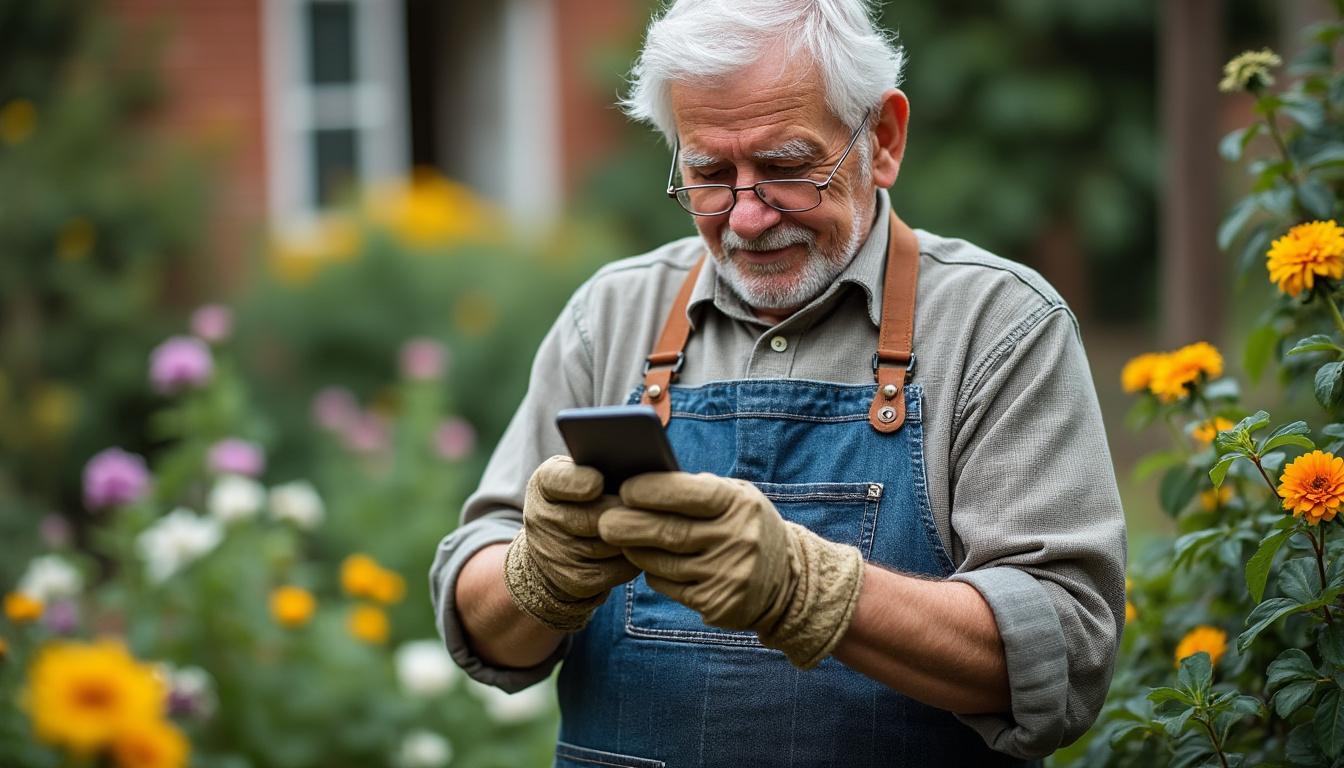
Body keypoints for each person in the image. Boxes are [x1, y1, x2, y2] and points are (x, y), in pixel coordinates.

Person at [429, 1, 1126, 764]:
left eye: (789, 169)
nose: (749, 216)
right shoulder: (612, 315)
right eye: (709, 174)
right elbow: (478, 611)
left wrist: (809, 590)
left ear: (883, 140)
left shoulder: (997, 326)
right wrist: (537, 575)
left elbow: (1064, 650)